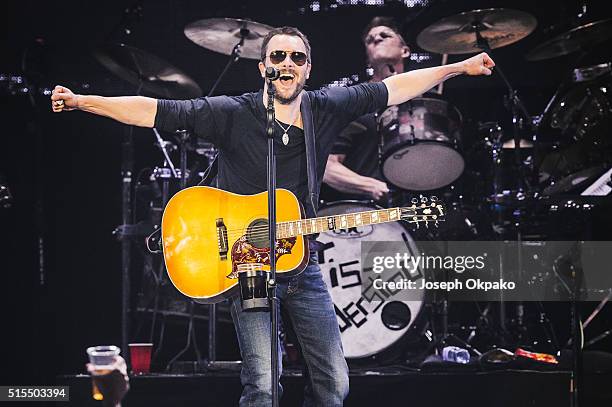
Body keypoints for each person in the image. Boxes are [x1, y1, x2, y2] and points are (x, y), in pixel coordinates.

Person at [52, 26, 494, 406]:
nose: (286, 63)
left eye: (296, 57)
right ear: (263, 67)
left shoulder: (326, 106)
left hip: (301, 266)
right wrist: (82, 102)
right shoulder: (232, 113)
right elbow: (155, 111)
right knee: (262, 385)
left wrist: (458, 67)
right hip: (246, 265)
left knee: (334, 382)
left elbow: (396, 88)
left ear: (308, 69)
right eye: (277, 56)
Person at [322, 16, 409, 203]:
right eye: (370, 40)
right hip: (367, 216)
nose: (376, 39)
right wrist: (372, 186)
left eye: (385, 35)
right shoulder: (355, 102)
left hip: (424, 210)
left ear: (405, 51)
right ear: (368, 58)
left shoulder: (426, 100)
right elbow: (326, 168)